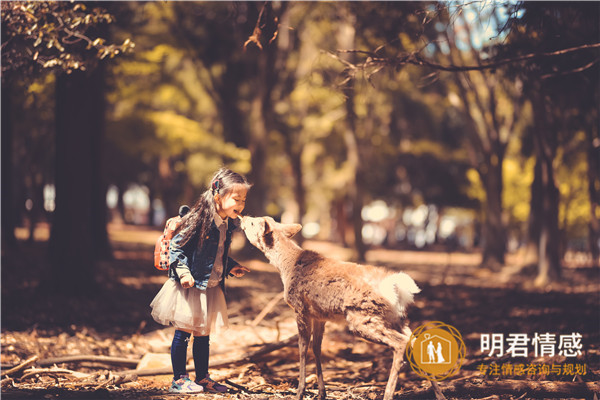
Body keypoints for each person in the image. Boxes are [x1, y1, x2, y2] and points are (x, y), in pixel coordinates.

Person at [150, 168, 252, 394]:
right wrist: (184, 272)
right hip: (190, 285)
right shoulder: (199, 219)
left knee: (203, 335)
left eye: (243, 200)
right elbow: (177, 247)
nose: (241, 204)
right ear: (218, 196)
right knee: (184, 332)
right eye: (236, 199)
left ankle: (203, 377)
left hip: (210, 286)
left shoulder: (228, 223)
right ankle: (179, 379)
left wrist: (231, 266)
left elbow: (216, 254)